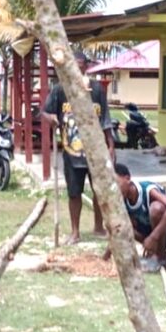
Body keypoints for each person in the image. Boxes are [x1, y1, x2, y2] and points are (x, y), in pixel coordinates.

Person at [41, 51, 114, 244]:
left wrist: (111, 147)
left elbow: (106, 118)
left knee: (100, 192)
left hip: (96, 152)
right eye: (75, 65)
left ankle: (99, 227)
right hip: (72, 153)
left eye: (82, 65)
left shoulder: (97, 89)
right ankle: (75, 232)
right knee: (74, 193)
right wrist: (52, 118)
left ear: (87, 67)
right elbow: (45, 112)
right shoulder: (60, 90)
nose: (79, 69)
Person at [104, 163, 166, 272]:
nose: (115, 189)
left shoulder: (147, 189)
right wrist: (106, 257)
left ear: (127, 179)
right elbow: (117, 229)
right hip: (156, 235)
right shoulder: (122, 200)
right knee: (122, 223)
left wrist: (153, 238)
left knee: (156, 209)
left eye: (117, 183)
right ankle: (155, 252)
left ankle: (161, 257)